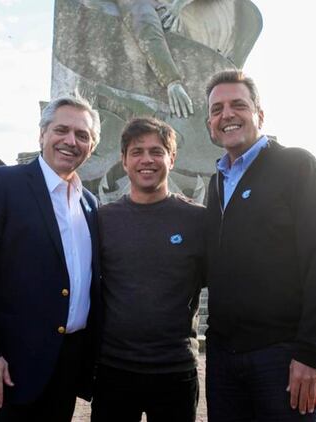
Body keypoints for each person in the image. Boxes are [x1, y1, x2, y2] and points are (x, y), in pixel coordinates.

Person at [0, 96, 102, 421]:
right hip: (1, 372)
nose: (71, 141)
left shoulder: (90, 204)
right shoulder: (1, 184)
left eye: (82, 135)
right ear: (42, 134)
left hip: (62, 372)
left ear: (92, 145)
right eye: (62, 129)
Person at [203, 70, 316, 421]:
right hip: (224, 360)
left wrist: (311, 354)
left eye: (238, 104)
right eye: (217, 109)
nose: (227, 115)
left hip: (281, 358)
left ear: (259, 115)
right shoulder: (216, 183)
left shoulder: (297, 166)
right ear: (210, 123)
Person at [91, 117, 205, 421]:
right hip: (113, 370)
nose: (147, 160)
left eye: (157, 151)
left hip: (175, 370)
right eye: (137, 151)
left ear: (172, 158)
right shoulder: (102, 221)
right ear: (124, 161)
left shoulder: (198, 221)